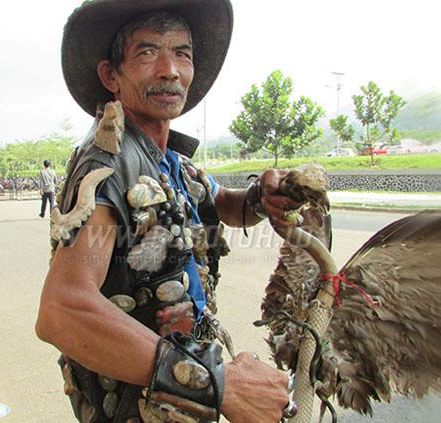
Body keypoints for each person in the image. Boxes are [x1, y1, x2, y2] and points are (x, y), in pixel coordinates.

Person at [36, 1, 302, 421]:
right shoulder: (110, 165)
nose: (170, 69)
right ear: (111, 75)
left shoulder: (172, 162)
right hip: (136, 403)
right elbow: (62, 310)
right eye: (147, 53)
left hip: (182, 391)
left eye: (182, 53)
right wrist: (220, 382)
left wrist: (260, 199)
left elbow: (225, 206)